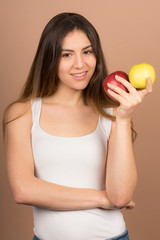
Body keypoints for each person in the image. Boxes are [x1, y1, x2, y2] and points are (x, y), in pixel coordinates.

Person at [3, 12, 152, 240]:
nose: (80, 64)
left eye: (87, 51)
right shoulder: (23, 113)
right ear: (50, 58)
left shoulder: (112, 113)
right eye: (66, 54)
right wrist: (102, 199)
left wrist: (123, 118)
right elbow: (23, 190)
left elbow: (121, 196)